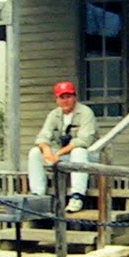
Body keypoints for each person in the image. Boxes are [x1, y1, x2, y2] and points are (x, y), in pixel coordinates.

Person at [27, 81, 98, 213]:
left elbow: (83, 140)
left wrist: (58, 154)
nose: (65, 101)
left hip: (88, 156)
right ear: (57, 100)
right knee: (35, 152)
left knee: (78, 151)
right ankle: (38, 195)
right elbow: (43, 136)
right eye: (62, 97)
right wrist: (47, 150)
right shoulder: (54, 114)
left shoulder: (85, 112)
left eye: (68, 97)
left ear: (75, 97)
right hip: (63, 155)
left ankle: (77, 196)